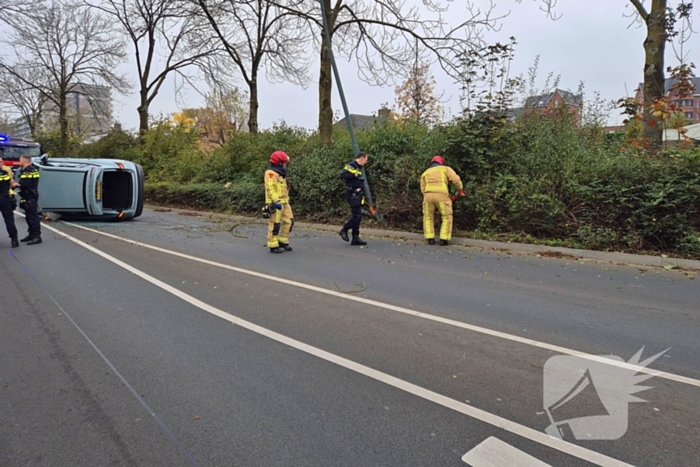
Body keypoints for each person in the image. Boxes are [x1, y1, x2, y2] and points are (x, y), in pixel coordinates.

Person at [421, 155, 463, 246]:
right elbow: (455, 179)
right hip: (441, 195)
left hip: (428, 195)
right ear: (441, 162)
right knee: (446, 216)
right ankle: (443, 239)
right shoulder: (445, 169)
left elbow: (422, 188)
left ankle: (430, 238)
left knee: (428, 217)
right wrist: (460, 189)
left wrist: (430, 199)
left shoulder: (425, 172)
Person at [265, 150, 294, 253]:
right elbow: (270, 188)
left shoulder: (281, 173)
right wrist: (276, 201)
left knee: (289, 222)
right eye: (284, 163)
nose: (285, 165)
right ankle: (273, 245)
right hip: (276, 203)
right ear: (279, 162)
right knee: (275, 224)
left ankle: (283, 241)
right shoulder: (271, 173)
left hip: (285, 202)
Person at [338, 152, 368, 246]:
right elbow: (342, 175)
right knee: (357, 215)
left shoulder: (360, 167)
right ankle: (344, 230)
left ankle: (355, 238)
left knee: (358, 216)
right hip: (351, 193)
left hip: (358, 194)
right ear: (362, 158)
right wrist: (353, 175)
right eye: (366, 160)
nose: (366, 162)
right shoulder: (351, 165)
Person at [18, 154, 42, 245]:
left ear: (24, 161)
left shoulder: (28, 171)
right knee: (28, 216)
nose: (19, 162)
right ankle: (31, 234)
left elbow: (25, 184)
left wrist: (16, 184)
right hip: (28, 196)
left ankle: (36, 236)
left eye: (20, 160)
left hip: (30, 196)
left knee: (33, 216)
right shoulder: (31, 169)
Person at [0, 158, 19, 248]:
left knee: (9, 220)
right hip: (5, 199)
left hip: (4, 198)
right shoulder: (4, 173)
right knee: (9, 220)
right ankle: (14, 240)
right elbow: (12, 184)